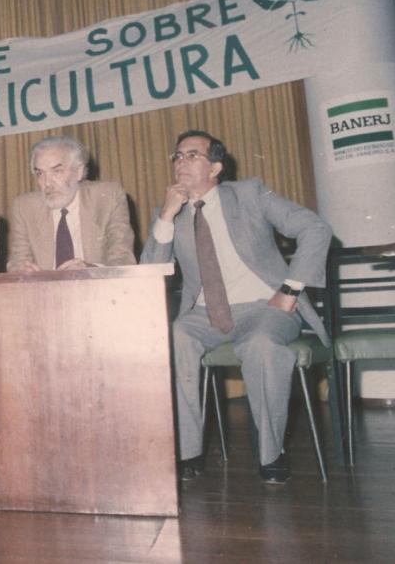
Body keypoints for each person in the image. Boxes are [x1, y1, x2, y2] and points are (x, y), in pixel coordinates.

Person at [140, 130, 331, 484]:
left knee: (261, 345)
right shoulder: (169, 214)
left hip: (266, 307)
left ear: (215, 167)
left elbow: (315, 228)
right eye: (177, 156)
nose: (181, 162)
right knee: (175, 337)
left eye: (192, 155)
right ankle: (187, 452)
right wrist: (166, 215)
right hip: (205, 314)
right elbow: (149, 272)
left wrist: (290, 289)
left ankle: (271, 454)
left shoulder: (249, 194)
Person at [8, 136, 135, 271]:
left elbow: (122, 258)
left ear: (79, 172)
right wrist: (22, 270)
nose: (47, 183)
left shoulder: (107, 197)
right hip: (44, 284)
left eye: (57, 171)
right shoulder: (25, 207)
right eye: (40, 174)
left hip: (96, 282)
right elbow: (17, 261)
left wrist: (90, 270)